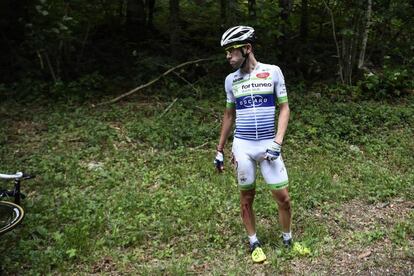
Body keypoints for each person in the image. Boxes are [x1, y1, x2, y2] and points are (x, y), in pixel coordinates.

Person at [214, 26, 292, 263]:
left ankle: (288, 238)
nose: (228, 57)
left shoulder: (273, 72)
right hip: (243, 146)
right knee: (247, 198)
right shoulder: (231, 80)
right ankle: (253, 241)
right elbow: (229, 116)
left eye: (231, 51)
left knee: (283, 197)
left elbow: (285, 108)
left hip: (269, 143)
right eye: (226, 52)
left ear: (247, 49)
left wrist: (278, 142)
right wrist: (219, 150)